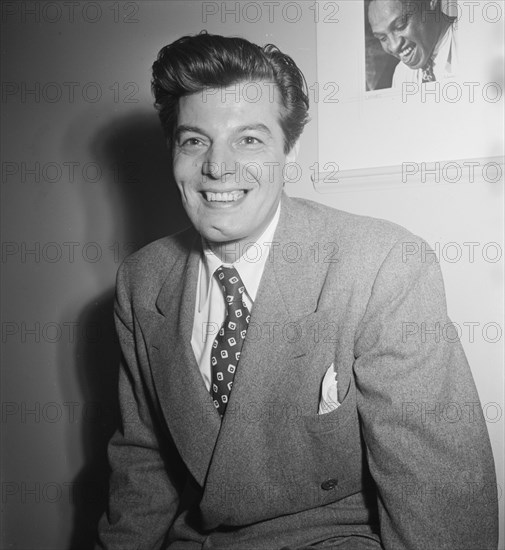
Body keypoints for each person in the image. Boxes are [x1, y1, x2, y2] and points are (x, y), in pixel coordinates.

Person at [96, 32, 498, 549]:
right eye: (195, 140)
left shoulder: (383, 264)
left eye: (249, 139)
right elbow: (142, 460)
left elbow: (438, 493)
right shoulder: (140, 279)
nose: (218, 167)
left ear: (290, 148)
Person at [368, 0, 457, 88]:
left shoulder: (467, 43)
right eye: (382, 38)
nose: (394, 46)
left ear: (431, 2)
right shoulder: (401, 74)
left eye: (400, 26)